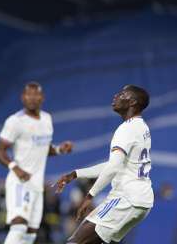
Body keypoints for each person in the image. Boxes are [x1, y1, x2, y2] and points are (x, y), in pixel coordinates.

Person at [54, 85, 153, 244]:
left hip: (126, 198)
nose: (116, 96)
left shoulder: (126, 129)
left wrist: (89, 196)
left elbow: (113, 167)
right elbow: (114, 164)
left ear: (132, 102)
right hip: (142, 201)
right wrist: (76, 174)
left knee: (75, 242)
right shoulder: (142, 127)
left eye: (122, 94)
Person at [0, 82, 73, 244]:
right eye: (28, 95)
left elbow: (44, 147)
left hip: (37, 186)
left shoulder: (47, 119)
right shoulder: (15, 121)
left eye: (35, 94)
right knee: (19, 227)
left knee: (30, 235)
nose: (32, 98)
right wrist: (15, 168)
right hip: (19, 183)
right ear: (23, 98)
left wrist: (59, 149)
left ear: (42, 97)